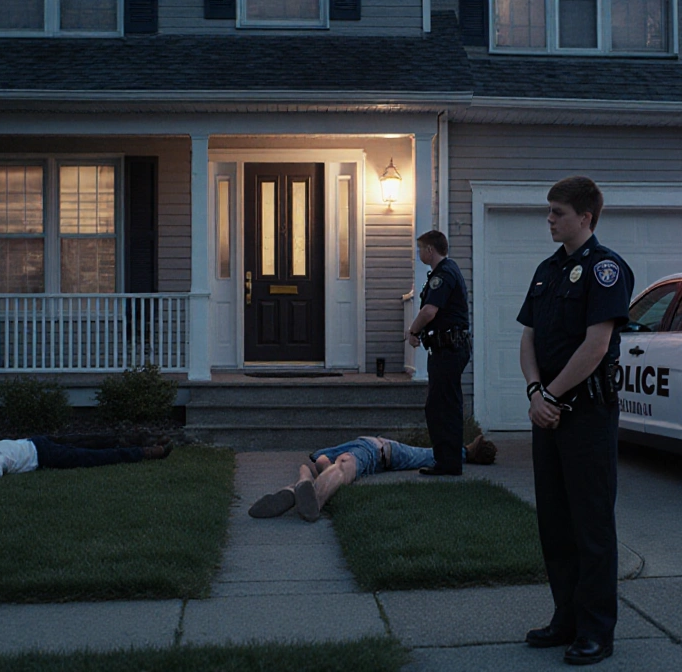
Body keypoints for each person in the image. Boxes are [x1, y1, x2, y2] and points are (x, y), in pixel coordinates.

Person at [516, 176, 633, 666]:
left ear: (585, 217)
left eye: (557, 212)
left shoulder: (606, 270)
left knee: (591, 526)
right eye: (549, 211)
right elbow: (527, 339)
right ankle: (565, 617)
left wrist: (553, 396)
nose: (549, 219)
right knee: (556, 524)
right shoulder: (546, 271)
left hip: (585, 416)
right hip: (549, 417)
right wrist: (533, 394)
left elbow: (596, 345)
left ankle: (595, 631)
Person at [248, 434, 498, 522]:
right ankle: (311, 496)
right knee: (344, 466)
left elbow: (323, 463)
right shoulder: (338, 455)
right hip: (376, 448)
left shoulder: (322, 456)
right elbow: (432, 455)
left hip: (359, 451)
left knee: (328, 465)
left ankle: (299, 485)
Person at [406, 230, 471, 476]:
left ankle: (448, 463)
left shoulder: (443, 274)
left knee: (442, 406)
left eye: (421, 248)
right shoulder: (446, 271)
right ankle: (447, 460)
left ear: (430, 250)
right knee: (443, 404)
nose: (419, 252)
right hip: (448, 348)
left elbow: (429, 311)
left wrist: (412, 331)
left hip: (449, 349)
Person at [0, 435, 170, 479]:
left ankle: (145, 449)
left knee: (89, 452)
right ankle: (147, 449)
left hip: (42, 449)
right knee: (89, 450)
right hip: (39, 446)